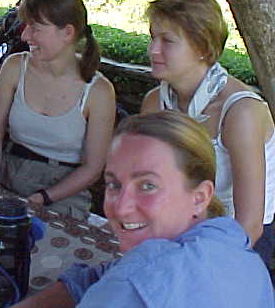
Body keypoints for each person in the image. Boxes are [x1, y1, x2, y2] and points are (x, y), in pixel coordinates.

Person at [14, 111, 274, 308]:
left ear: (200, 196)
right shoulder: (228, 239)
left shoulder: (132, 288)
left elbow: (130, 281)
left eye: (148, 185)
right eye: (114, 184)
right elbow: (106, 273)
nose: (121, 207)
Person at [141, 0, 275, 266]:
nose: (153, 50)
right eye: (152, 37)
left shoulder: (240, 112)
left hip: (240, 235)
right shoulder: (155, 102)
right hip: (182, 221)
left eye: (167, 41)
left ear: (202, 48)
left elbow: (249, 225)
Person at [0, 0, 115, 219]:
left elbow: (93, 168)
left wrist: (43, 197)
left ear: (67, 33)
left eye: (35, 28)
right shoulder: (15, 67)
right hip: (9, 171)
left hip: (64, 190)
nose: (24, 36)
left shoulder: (98, 91)